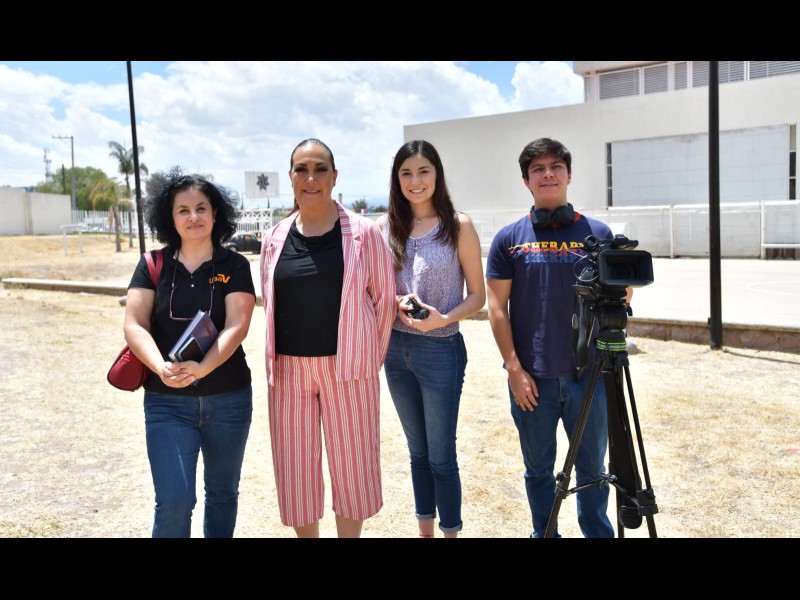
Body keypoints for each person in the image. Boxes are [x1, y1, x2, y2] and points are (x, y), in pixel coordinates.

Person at [485, 137, 631, 538]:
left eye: (555, 167)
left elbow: (622, 295)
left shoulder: (598, 233)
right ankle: (545, 533)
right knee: (537, 470)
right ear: (526, 180)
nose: (547, 174)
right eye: (538, 169)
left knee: (593, 471)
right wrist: (514, 370)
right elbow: (496, 308)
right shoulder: (508, 239)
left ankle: (596, 533)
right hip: (532, 380)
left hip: (590, 377)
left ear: (569, 174)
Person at [259, 138, 396, 538]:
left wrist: (365, 358)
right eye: (302, 170)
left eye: (320, 169)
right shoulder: (274, 238)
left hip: (348, 369)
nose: (311, 178)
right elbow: (270, 300)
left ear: (334, 177)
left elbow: (384, 302)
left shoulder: (365, 233)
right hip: (288, 372)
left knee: (354, 469)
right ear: (291, 177)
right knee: (295, 472)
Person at [123, 170, 257, 538]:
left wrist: (202, 368)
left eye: (201, 208)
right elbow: (134, 323)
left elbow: (237, 325)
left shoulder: (234, 266)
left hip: (229, 399)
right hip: (166, 401)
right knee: (174, 501)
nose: (193, 216)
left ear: (216, 214)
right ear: (170, 218)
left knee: (223, 494)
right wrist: (160, 366)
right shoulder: (153, 264)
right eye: (183, 210)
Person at [376, 140, 485, 538]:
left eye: (423, 171)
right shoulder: (384, 229)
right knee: (417, 453)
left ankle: (450, 532)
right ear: (397, 179)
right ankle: (424, 532)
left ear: (436, 174)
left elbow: (478, 295)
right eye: (406, 173)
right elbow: (374, 290)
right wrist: (395, 302)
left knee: (441, 457)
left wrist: (443, 318)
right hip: (395, 350)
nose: (415, 181)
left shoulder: (459, 225)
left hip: (442, 349)